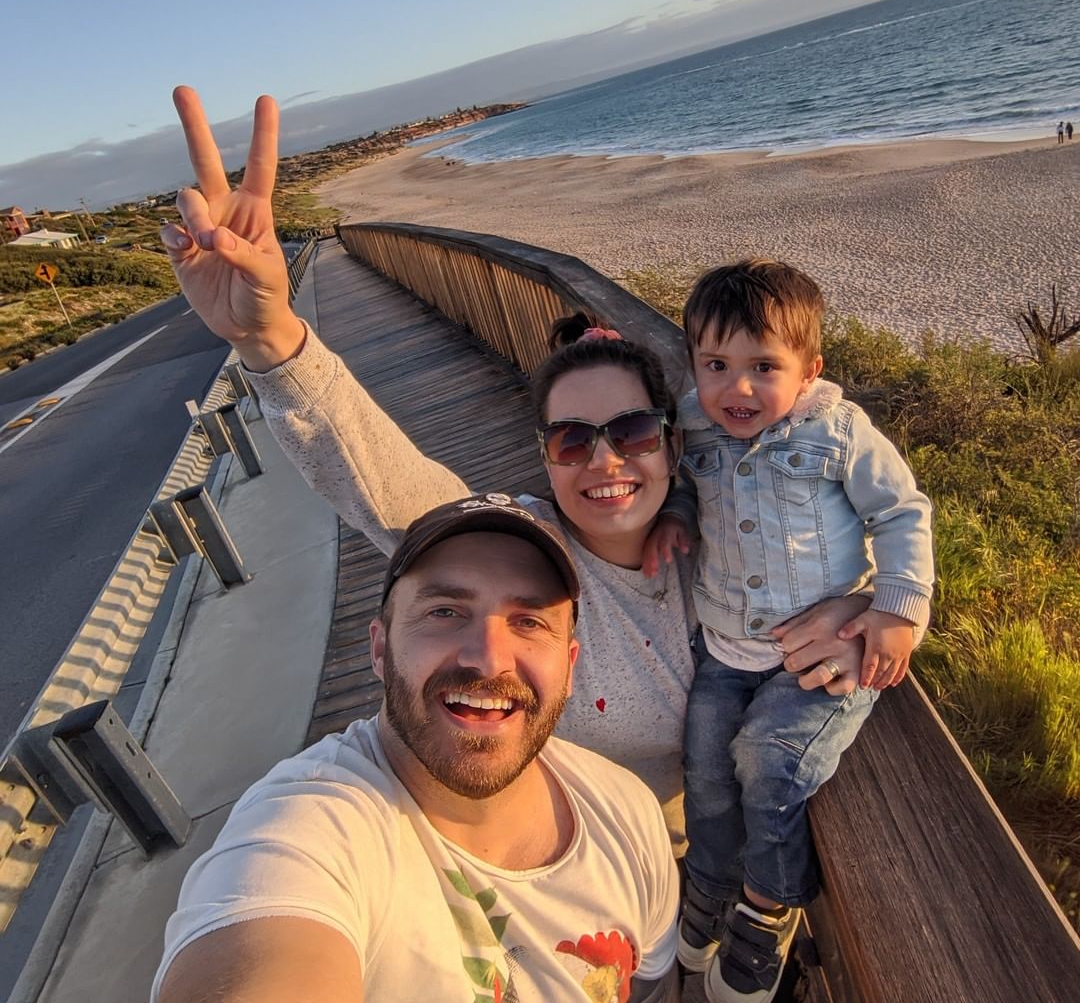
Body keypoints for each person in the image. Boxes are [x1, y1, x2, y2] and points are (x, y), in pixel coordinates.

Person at [160, 86, 870, 855]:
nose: (604, 459)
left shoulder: (728, 533)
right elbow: (383, 483)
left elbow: (845, 535)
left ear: (673, 443)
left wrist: (859, 608)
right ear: (543, 456)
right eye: (571, 440)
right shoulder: (526, 553)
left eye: (632, 430)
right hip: (584, 861)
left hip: (696, 851)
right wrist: (272, 341)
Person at [154, 495, 682, 1001]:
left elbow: (651, 982)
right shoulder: (312, 828)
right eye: (446, 612)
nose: (488, 659)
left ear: (568, 667)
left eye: (528, 621)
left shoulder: (626, 812)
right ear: (380, 648)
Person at [648, 260, 933, 1003]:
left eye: (763, 367)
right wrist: (675, 514)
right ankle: (710, 884)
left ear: (809, 370)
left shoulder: (836, 431)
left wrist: (895, 611)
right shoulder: (696, 425)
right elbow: (685, 489)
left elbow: (901, 512)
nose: (737, 388)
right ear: (693, 364)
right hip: (726, 649)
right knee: (705, 773)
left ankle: (767, 907)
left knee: (769, 760)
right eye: (716, 365)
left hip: (824, 658)